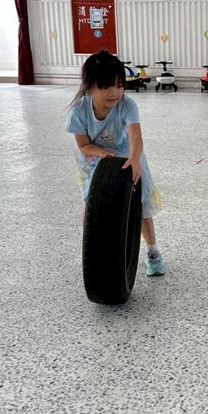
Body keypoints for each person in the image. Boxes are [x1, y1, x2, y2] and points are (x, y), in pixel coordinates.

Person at [66, 51, 166, 277]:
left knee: (141, 202)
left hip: (127, 153)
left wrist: (135, 158)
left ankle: (153, 253)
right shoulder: (79, 111)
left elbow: (136, 137)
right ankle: (92, 249)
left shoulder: (127, 105)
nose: (114, 93)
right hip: (94, 155)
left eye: (120, 85)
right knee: (91, 201)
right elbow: (83, 145)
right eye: (105, 87)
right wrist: (102, 153)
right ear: (90, 87)